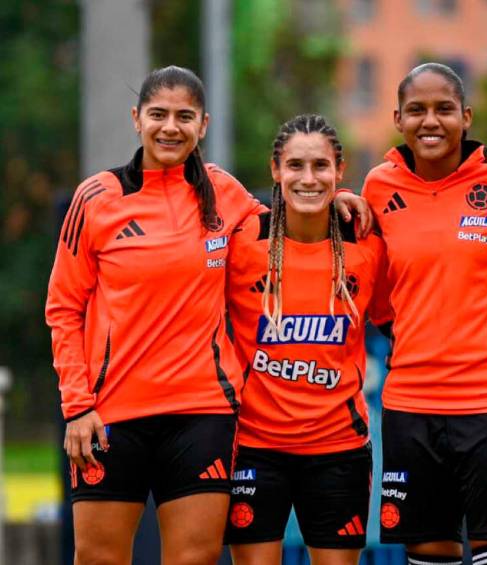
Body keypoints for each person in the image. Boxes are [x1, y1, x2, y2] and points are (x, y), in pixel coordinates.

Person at [45, 66, 370, 565]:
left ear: (204, 124)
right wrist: (77, 406)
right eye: (158, 114)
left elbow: (287, 211)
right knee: (97, 558)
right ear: (137, 119)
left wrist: (337, 201)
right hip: (112, 416)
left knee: (195, 557)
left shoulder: (224, 192)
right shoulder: (97, 198)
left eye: (184, 116)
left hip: (203, 415)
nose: (170, 127)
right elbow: (63, 308)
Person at [361, 62, 487, 565]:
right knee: (429, 552)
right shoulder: (378, 187)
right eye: (417, 110)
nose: (431, 121)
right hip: (409, 406)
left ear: (466, 116)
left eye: (444, 109)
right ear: (398, 119)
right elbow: (380, 297)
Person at [223, 114, 389, 565]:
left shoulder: (367, 244)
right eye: (295, 166)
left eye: (321, 166)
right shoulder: (241, 243)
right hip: (255, 447)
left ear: (340, 169)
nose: (308, 178)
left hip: (339, 449)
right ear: (275, 170)